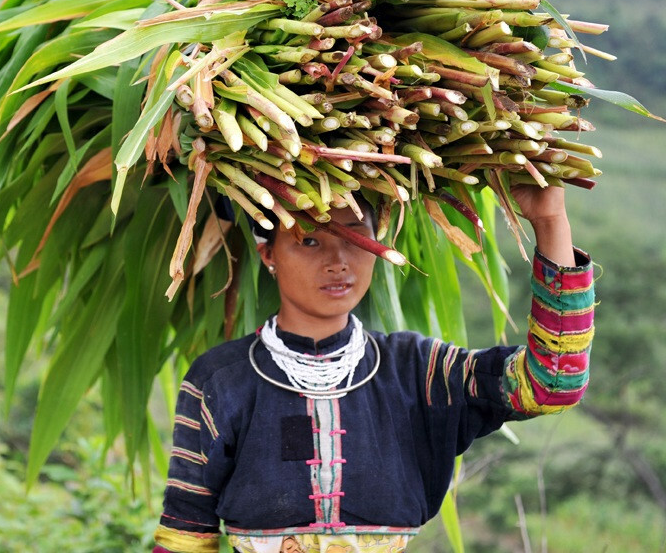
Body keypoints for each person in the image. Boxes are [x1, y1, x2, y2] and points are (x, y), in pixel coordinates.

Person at [152, 185, 594, 553]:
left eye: (355, 237)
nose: (338, 261)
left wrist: (550, 220)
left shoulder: (418, 372)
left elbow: (551, 383)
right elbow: (185, 537)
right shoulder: (220, 381)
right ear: (268, 253)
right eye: (310, 240)